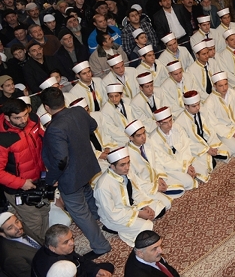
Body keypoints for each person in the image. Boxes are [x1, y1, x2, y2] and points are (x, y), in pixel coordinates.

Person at [40, 88, 112, 257]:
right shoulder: (79, 111)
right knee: (87, 195)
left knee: (80, 213)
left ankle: (101, 246)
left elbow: (61, 160)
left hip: (69, 176)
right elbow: (92, 126)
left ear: (46, 107)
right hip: (86, 166)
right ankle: (100, 218)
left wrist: (50, 179)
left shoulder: (54, 128)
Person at [93, 147, 165, 247]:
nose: (127, 167)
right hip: (116, 217)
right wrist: (138, 214)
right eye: (122, 165)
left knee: (160, 207)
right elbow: (112, 214)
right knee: (148, 226)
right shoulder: (103, 186)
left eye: (128, 163)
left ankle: (136, 223)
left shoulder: (125, 172)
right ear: (112, 166)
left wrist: (144, 206)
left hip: (131, 207)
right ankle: (113, 229)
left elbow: (135, 192)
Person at [0, 98, 48, 241]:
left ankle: (45, 243)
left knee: (45, 211)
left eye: (25, 115)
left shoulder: (33, 120)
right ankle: (33, 249)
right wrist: (21, 183)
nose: (23, 120)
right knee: (34, 221)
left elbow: (42, 140)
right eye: (18, 118)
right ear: (8, 117)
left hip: (40, 178)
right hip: (19, 187)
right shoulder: (2, 139)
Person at [31, 224, 114, 277]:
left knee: (107, 268)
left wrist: (96, 271)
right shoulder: (57, 268)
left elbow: (78, 259)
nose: (72, 243)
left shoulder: (58, 249)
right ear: (52, 248)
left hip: (77, 269)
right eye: (66, 242)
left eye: (71, 238)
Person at [0, 211, 44, 277]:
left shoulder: (20, 228)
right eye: (10, 228)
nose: (18, 227)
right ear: (2, 234)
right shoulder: (11, 258)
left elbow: (40, 241)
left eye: (17, 221)